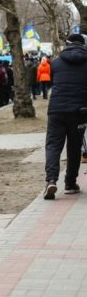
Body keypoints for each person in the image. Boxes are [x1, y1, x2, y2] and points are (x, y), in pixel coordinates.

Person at [43, 34, 87, 200]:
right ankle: (70, 183)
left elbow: (51, 83)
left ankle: (51, 180)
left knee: (53, 146)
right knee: (74, 148)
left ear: (67, 44)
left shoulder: (55, 62)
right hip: (79, 112)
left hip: (56, 110)